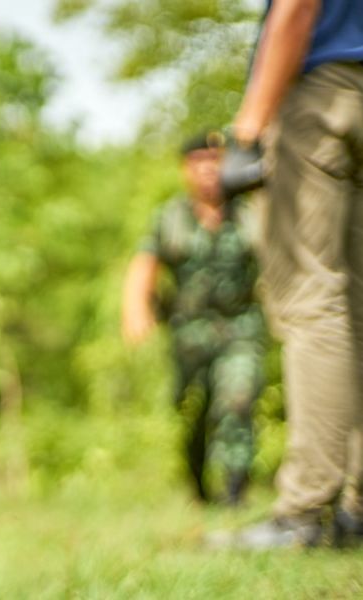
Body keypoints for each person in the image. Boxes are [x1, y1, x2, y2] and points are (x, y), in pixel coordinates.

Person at [211, 0, 363, 548]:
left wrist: (247, 132)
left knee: (309, 298)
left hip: (314, 95)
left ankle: (304, 511)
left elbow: (297, 9)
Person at [122, 133, 265, 507]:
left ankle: (235, 492)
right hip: (189, 333)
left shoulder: (249, 214)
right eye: (199, 161)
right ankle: (199, 486)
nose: (208, 169)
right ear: (186, 169)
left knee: (238, 399)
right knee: (193, 412)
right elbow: (145, 263)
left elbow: (274, 261)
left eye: (216, 160)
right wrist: (136, 309)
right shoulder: (171, 216)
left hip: (240, 327)